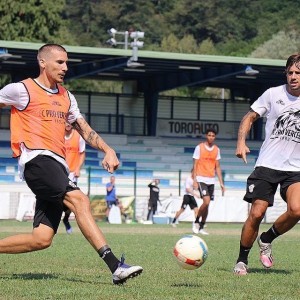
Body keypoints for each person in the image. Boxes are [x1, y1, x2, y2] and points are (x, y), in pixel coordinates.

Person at [0, 43, 143, 284]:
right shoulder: (22, 89)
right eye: (60, 62)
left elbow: (84, 129)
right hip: (37, 160)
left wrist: (108, 149)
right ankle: (115, 266)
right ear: (43, 63)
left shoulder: (66, 97)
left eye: (67, 63)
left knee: (41, 239)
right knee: (79, 200)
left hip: (57, 165)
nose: (65, 67)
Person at [233, 53, 300, 275]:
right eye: (290, 72)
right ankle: (242, 260)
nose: (293, 76)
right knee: (257, 213)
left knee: (297, 209)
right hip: (267, 165)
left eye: (298, 73)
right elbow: (249, 117)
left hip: (295, 168)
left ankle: (267, 238)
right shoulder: (273, 94)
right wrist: (241, 142)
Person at [192, 128, 225, 235]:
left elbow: (218, 167)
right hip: (201, 178)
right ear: (206, 136)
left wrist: (221, 183)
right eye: (209, 135)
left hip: (211, 180)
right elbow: (195, 164)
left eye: (213, 135)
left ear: (215, 137)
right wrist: (194, 180)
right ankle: (196, 221)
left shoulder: (217, 149)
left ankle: (201, 227)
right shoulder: (199, 147)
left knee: (207, 205)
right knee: (206, 201)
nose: (211, 137)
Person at [62, 122, 86, 234]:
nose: (68, 124)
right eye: (65, 121)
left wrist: (78, 168)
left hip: (72, 173)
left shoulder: (78, 136)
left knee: (71, 200)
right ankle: (52, 225)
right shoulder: (58, 134)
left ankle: (66, 219)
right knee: (57, 199)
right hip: (59, 172)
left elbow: (82, 153)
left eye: (70, 122)